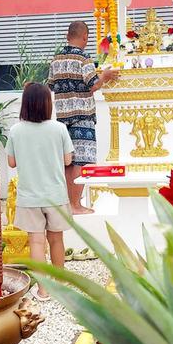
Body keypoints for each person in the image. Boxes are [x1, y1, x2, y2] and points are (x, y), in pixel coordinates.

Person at [6, 82, 74, 301]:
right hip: (55, 194)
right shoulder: (59, 128)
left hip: (29, 196)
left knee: (36, 242)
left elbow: (12, 162)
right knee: (56, 240)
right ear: (47, 104)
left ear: (25, 104)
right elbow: (67, 159)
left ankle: (43, 291)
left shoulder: (16, 130)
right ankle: (61, 286)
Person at [48, 20, 119, 214]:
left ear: (67, 35)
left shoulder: (56, 58)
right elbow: (93, 85)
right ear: (85, 37)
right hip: (82, 116)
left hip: (62, 118)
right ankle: (75, 204)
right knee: (81, 161)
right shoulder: (83, 58)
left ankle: (67, 205)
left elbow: (51, 85)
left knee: (67, 161)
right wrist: (104, 75)